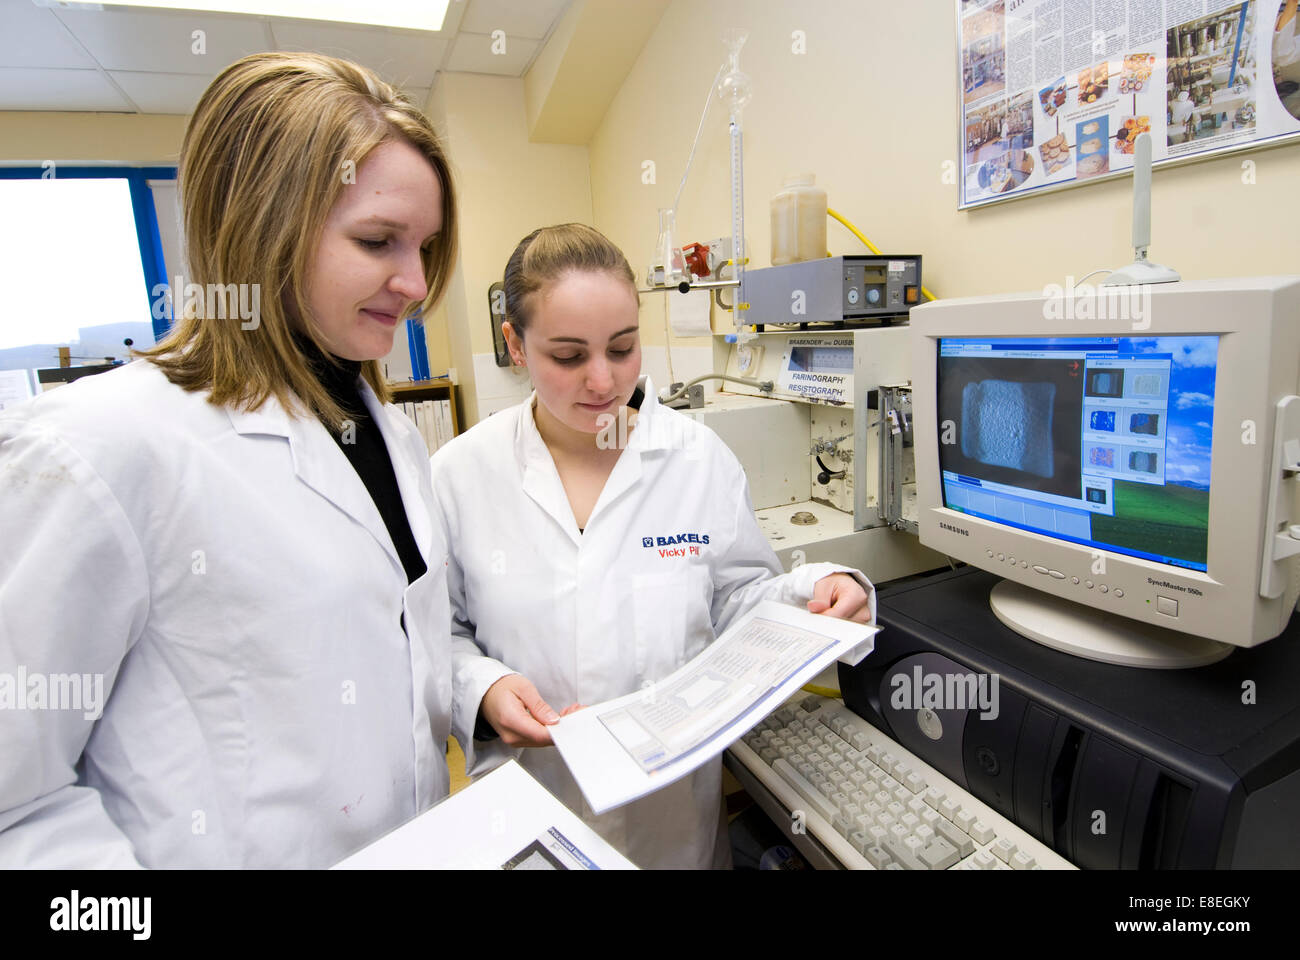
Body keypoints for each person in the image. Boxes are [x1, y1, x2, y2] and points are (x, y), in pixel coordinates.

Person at [0, 52, 460, 867]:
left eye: (423, 246)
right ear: (262, 226)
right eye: (378, 240)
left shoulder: (379, 429)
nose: (416, 281)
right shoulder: (99, 446)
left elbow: (398, 661)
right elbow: (16, 805)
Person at [430, 224, 874, 869]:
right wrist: (484, 689)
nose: (603, 381)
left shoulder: (697, 460)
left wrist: (815, 589)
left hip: (672, 819)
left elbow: (738, 600)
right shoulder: (459, 475)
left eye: (623, 347)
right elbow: (437, 635)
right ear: (515, 345)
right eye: (568, 355)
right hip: (532, 800)